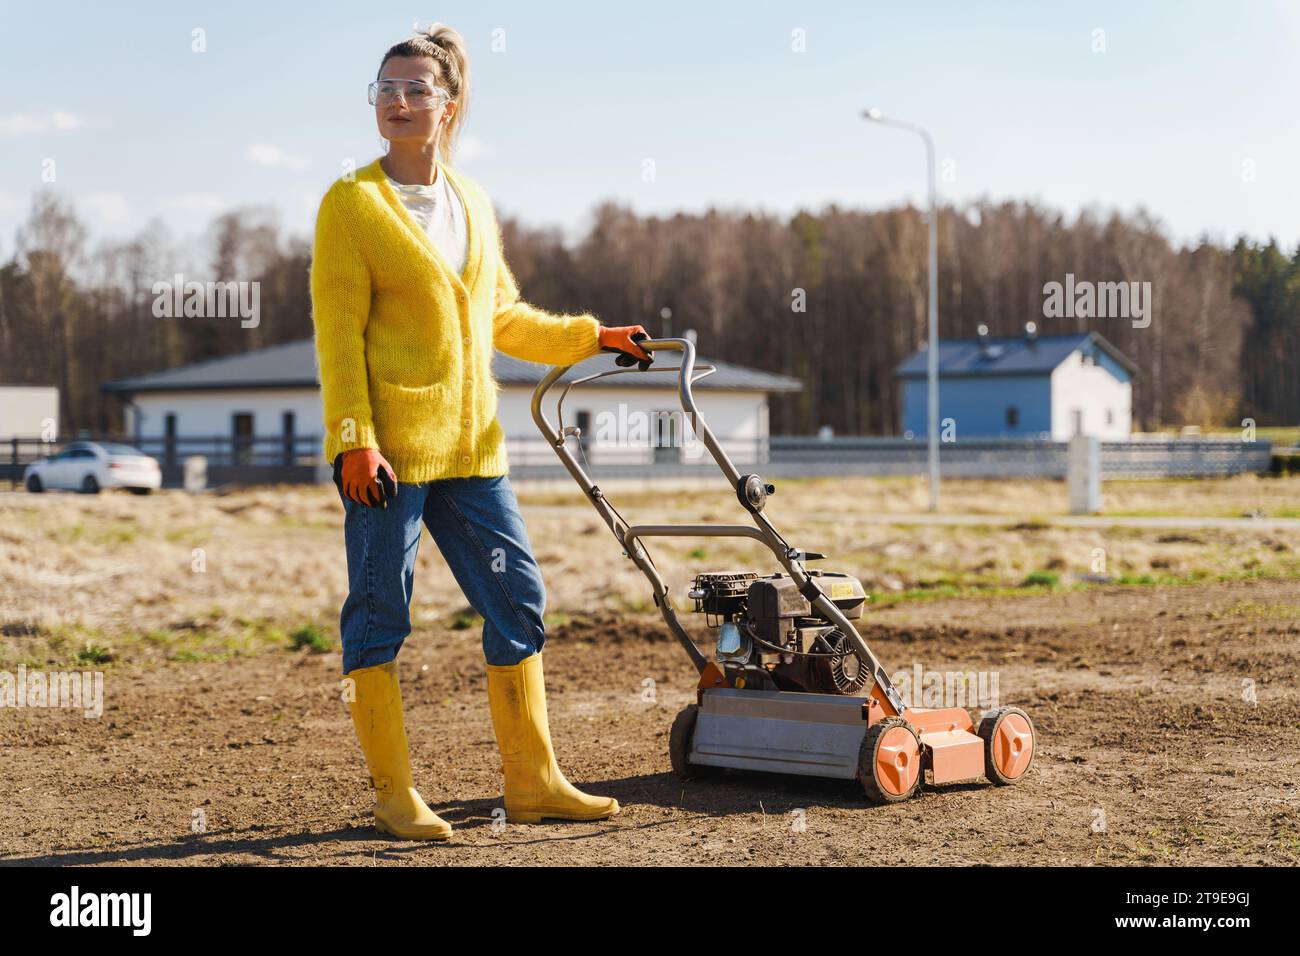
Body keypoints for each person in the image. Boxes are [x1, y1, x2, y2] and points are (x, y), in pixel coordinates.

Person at [310, 24, 652, 840]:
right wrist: (354, 436)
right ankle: (396, 795)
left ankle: (532, 782)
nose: (396, 101)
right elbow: (339, 336)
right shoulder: (351, 205)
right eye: (385, 88)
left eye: (414, 89)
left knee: (517, 601)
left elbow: (500, 315)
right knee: (378, 614)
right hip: (387, 459)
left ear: (449, 105)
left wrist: (590, 337)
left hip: (472, 455)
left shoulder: (473, 203)